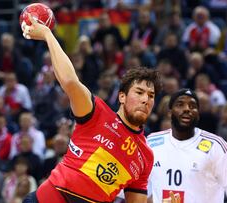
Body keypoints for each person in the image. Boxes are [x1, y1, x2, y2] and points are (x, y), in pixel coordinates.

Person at [21, 14, 163, 203]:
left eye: (151, 96)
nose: (146, 99)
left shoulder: (145, 155)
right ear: (122, 96)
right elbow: (70, 82)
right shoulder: (97, 112)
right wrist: (48, 34)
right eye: (139, 92)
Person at [147, 89, 227, 203]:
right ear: (170, 112)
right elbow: (140, 188)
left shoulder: (216, 146)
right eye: (180, 104)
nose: (186, 109)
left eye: (192, 106)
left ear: (198, 115)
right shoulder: (151, 143)